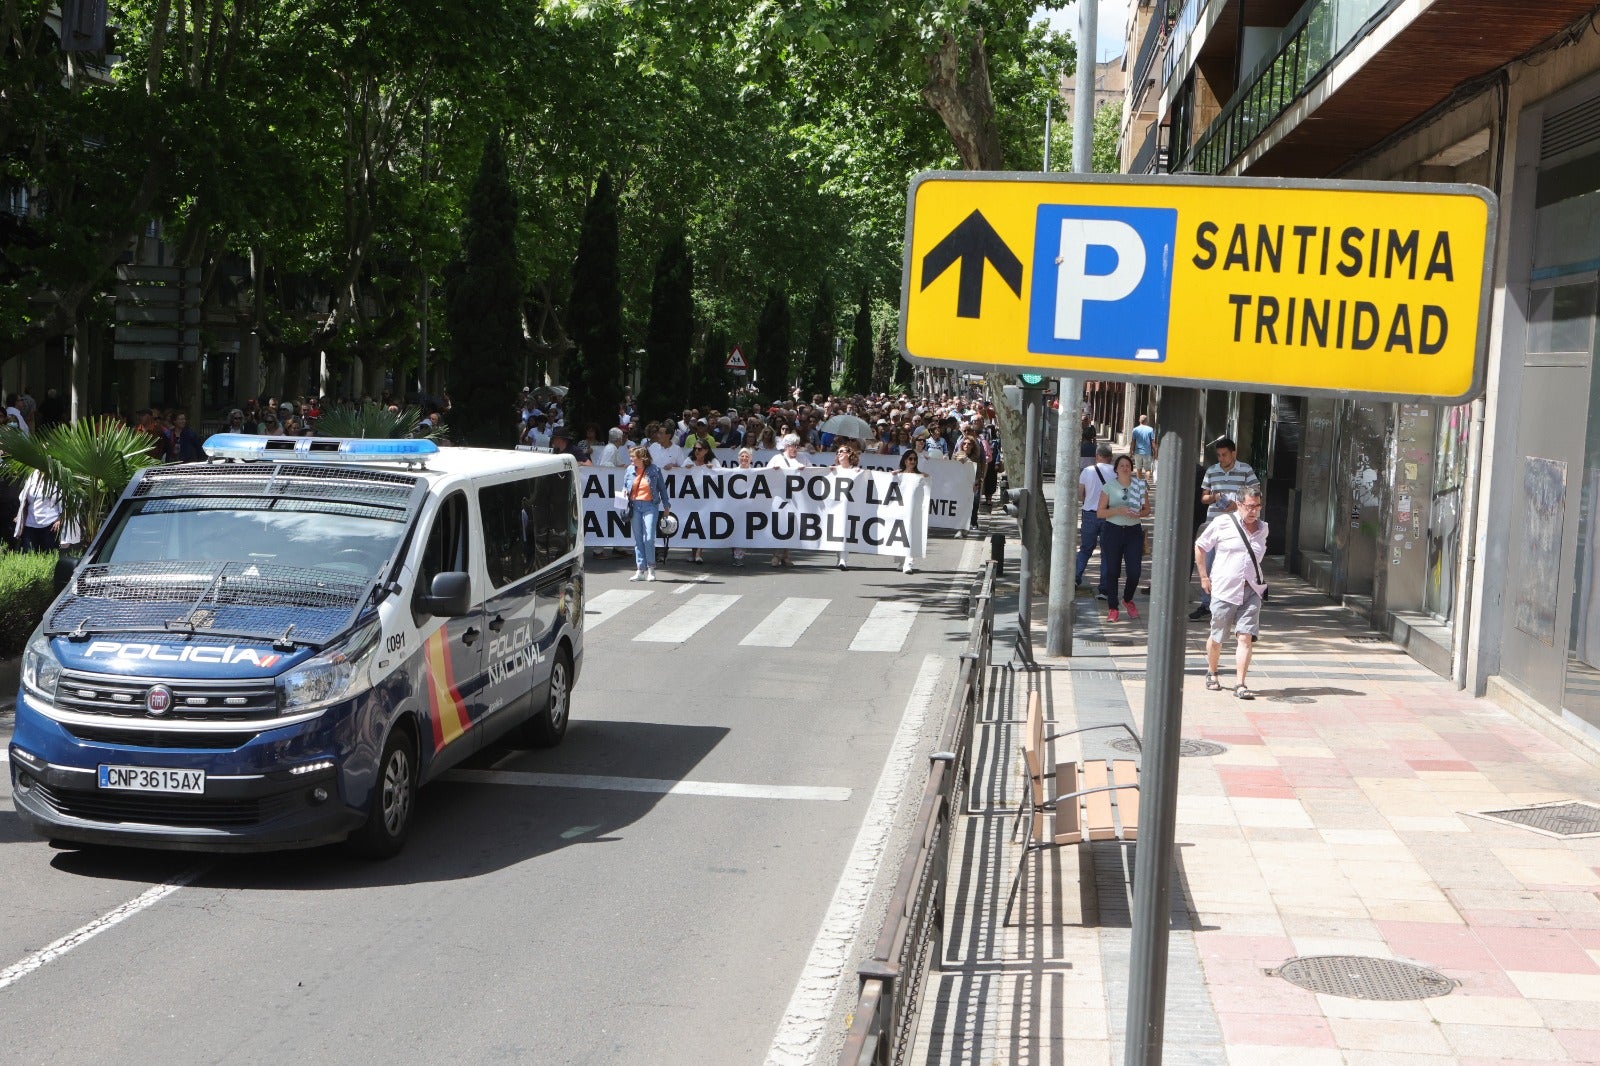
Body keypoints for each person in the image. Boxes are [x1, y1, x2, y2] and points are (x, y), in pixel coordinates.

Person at [1194, 486, 1268, 699]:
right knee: (1218, 636)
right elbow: (1200, 546)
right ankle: (1212, 671)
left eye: (1257, 507)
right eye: (1249, 506)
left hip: (1251, 589)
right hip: (1224, 590)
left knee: (1245, 637)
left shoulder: (1264, 529)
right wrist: (1204, 577)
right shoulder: (1223, 523)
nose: (1253, 511)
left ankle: (1240, 684)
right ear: (1239, 504)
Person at [1191, 436, 1261, 620]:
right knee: (1209, 564)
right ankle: (1206, 604)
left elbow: (1255, 494)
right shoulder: (1212, 471)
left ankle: (1234, 603)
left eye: (1224, 455)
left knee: (1235, 565)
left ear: (1234, 453)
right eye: (1219, 455)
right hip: (1215, 524)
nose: (1221, 458)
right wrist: (1214, 498)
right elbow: (1203, 498)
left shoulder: (1245, 470)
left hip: (1238, 526)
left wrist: (1237, 504)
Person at [1096, 455, 1151, 622]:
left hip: (1133, 531)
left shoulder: (1140, 486)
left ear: (1132, 468)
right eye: (1122, 465)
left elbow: (1147, 509)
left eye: (1128, 465)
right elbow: (1100, 512)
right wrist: (1117, 511)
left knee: (1134, 572)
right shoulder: (1109, 487)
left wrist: (1139, 513)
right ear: (1116, 469)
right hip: (1112, 531)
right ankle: (1113, 608)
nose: (1125, 468)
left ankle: (1127, 599)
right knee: (1112, 571)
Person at [623, 445, 670, 581]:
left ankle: (651, 568)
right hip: (634, 505)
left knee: (648, 538)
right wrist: (625, 491)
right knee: (638, 540)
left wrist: (666, 505)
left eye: (633, 456)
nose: (631, 459)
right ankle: (640, 570)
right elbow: (625, 485)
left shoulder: (654, 470)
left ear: (642, 458)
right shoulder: (629, 469)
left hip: (650, 505)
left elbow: (662, 488)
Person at [1076, 443, 1115, 588]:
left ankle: (1076, 576)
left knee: (1085, 548)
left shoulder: (1087, 471)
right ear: (1110, 457)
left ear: (1097, 456)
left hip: (1090, 514)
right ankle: (1104, 588)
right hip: (1110, 516)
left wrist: (1088, 500)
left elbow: (1081, 495)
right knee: (1107, 552)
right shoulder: (1117, 472)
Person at [766, 433, 807, 567]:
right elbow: (766, 475)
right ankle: (775, 555)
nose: (795, 449)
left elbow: (813, 473)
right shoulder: (776, 458)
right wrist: (774, 471)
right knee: (779, 525)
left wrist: (805, 470)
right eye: (792, 446)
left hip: (796, 498)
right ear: (786, 446)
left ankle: (786, 555)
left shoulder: (803, 458)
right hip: (779, 497)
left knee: (791, 526)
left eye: (797, 446)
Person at [683, 440, 718, 563]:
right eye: (695, 449)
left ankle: (699, 552)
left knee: (702, 523)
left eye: (699, 449)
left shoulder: (713, 462)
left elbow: (722, 475)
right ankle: (694, 553)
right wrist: (684, 469)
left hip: (707, 499)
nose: (697, 451)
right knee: (693, 524)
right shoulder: (688, 461)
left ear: (706, 450)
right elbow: (679, 475)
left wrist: (713, 470)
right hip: (691, 498)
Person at [15, 470, 64, 552]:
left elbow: (64, 502)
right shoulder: (32, 477)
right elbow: (23, 499)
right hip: (30, 523)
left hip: (51, 524)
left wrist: (60, 518)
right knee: (28, 554)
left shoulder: (57, 480)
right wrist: (19, 515)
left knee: (48, 554)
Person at [831, 442, 862, 570]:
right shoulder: (833, 470)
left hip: (850, 507)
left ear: (849, 454)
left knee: (846, 531)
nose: (839, 454)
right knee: (836, 532)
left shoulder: (855, 470)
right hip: (835, 506)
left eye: (842, 451)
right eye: (838, 452)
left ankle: (843, 559)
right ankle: (839, 557)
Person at [896, 449, 925, 574]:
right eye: (910, 459)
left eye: (915, 459)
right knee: (900, 535)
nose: (913, 461)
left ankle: (909, 563)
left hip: (913, 512)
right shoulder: (898, 475)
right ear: (905, 460)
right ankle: (902, 561)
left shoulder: (920, 476)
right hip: (900, 510)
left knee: (911, 535)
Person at [732, 447, 756, 566]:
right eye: (742, 456)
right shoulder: (732, 472)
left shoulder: (755, 473)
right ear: (738, 458)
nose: (744, 458)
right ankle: (736, 553)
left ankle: (738, 555)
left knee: (743, 530)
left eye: (747, 456)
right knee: (735, 529)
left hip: (749, 506)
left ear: (751, 459)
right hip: (734, 506)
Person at [1131, 415, 1157, 481]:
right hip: (1147, 453)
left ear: (1139, 420)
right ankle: (1145, 484)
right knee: (1147, 470)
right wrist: (1155, 452)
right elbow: (1152, 442)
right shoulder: (1150, 429)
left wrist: (1131, 451)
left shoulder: (1135, 430)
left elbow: (1133, 442)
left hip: (1137, 452)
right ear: (1146, 421)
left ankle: (1139, 485)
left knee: (1138, 470)